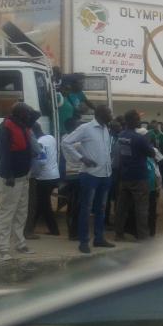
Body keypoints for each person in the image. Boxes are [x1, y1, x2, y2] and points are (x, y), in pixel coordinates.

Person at [62, 105, 115, 254]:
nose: (111, 114)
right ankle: (83, 241)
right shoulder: (86, 128)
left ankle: (99, 238)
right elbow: (66, 142)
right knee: (86, 209)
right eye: (109, 112)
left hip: (105, 174)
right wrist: (82, 158)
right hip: (90, 175)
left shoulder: (106, 128)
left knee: (101, 209)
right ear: (100, 113)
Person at [0, 103, 39, 260]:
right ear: (19, 114)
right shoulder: (5, 127)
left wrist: (28, 109)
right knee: (6, 213)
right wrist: (9, 175)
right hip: (11, 178)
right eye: (26, 113)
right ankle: (3, 248)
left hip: (23, 176)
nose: (29, 116)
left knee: (21, 212)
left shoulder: (23, 124)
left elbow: (37, 114)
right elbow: (3, 152)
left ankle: (20, 244)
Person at [114, 110, 156, 242]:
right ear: (132, 121)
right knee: (141, 208)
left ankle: (119, 234)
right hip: (139, 177)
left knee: (121, 208)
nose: (139, 122)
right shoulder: (139, 138)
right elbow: (152, 153)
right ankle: (143, 236)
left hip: (125, 175)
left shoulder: (121, 135)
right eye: (138, 119)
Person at [25, 122, 60, 236]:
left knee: (44, 205)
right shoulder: (51, 138)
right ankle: (30, 227)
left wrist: (32, 174)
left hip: (43, 177)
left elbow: (41, 161)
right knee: (40, 203)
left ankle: (54, 230)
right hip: (54, 175)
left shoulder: (39, 142)